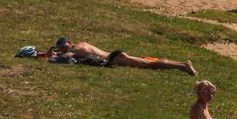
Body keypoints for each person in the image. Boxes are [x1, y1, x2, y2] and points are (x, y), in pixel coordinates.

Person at [43, 37, 195, 74]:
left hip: (115, 58)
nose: (63, 50)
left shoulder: (75, 50)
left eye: (63, 47)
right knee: (148, 62)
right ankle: (182, 65)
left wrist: (49, 56)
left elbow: (62, 58)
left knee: (149, 64)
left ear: (68, 44)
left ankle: (183, 66)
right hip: (114, 56)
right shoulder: (81, 44)